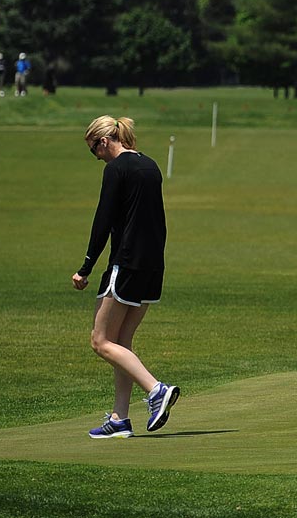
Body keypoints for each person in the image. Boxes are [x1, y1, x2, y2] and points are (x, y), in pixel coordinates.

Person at [72, 115, 180, 439]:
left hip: (127, 264)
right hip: (152, 266)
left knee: (100, 340)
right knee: (122, 342)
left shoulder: (116, 169)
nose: (97, 157)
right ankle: (120, 419)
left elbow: (102, 220)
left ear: (104, 141)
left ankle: (156, 390)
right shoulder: (150, 166)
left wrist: (86, 267)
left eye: (94, 150)